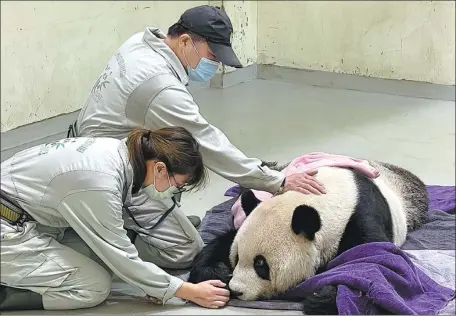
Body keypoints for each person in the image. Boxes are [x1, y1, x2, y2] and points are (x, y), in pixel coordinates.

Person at [67, 5, 327, 265]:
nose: (213, 65)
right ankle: (101, 245)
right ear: (185, 41)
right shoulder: (159, 86)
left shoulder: (141, 42)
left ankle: (141, 223)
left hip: (88, 150)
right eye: (212, 56)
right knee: (188, 250)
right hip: (107, 178)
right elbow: (207, 143)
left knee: (174, 156)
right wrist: (275, 181)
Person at [0, 127, 230, 311]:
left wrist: (155, 284)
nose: (173, 192)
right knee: (94, 286)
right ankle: (7, 294)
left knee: (102, 261)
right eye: (176, 186)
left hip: (29, 218)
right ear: (160, 169)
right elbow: (121, 257)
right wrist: (186, 291)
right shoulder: (101, 183)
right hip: (9, 230)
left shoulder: (119, 152)